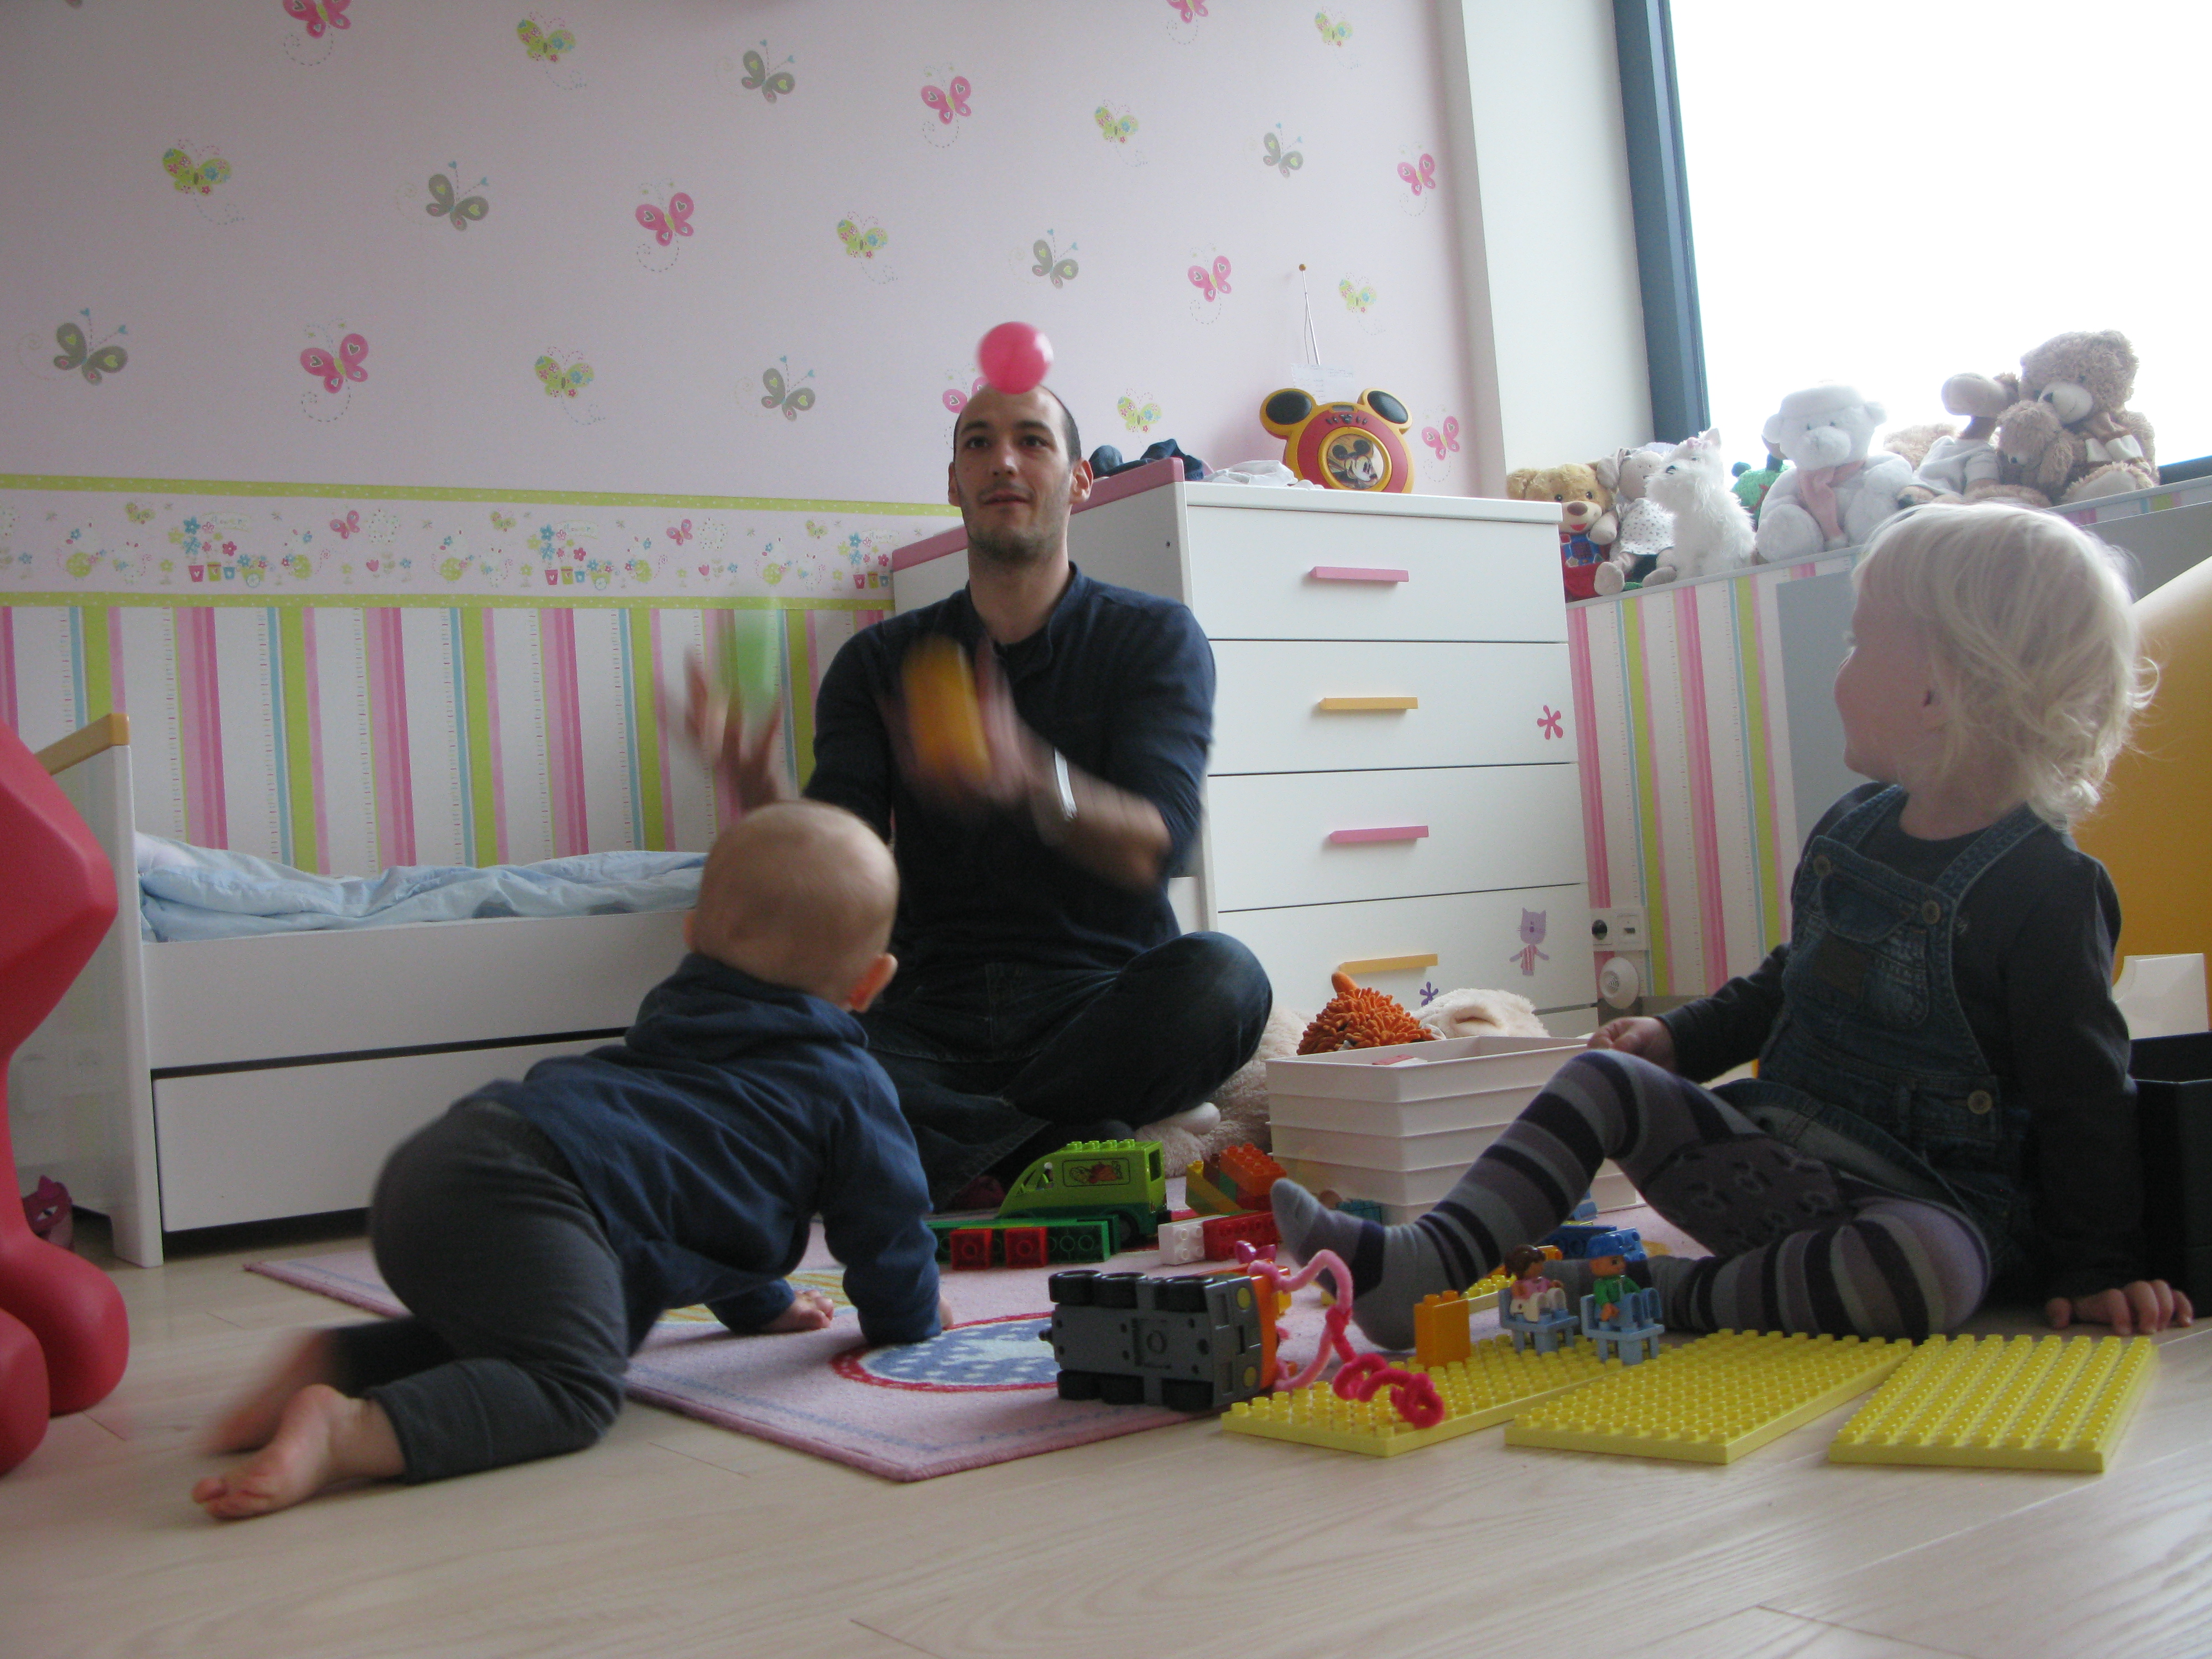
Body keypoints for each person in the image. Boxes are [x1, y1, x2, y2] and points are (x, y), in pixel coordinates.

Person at [1272, 502, 2195, 1350]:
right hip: (1780, 1166)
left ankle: (1661, 1294)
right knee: (1601, 1079)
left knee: (1928, 1272)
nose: (1839, 670)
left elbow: (2086, 1098)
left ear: (1936, 695)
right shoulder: (1854, 829)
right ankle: (1422, 1263)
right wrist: (1678, 1039)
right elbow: (1790, 980)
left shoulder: (2047, 888)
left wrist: (2100, 1270)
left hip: (1936, 1216)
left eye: (1857, 643)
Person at [192, 801, 945, 1520]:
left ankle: (340, 1362)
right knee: (572, 1384)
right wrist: (909, 1316)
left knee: (522, 1332)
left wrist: (764, 1306)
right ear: (871, 981)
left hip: (441, 1164)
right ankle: (348, 1430)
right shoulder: (847, 1086)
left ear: (690, 934)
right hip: (538, 1198)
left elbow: (702, 1193)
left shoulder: (674, 1023)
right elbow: (886, 1225)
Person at [691, 383, 1271, 1206]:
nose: (1003, 460)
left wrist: (1031, 776)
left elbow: (1161, 845)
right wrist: (766, 802)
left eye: (1033, 440)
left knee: (1227, 980)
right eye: (978, 443)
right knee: (750, 1031)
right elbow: (837, 868)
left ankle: (945, 1145)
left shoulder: (1152, 638)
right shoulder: (877, 662)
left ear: (1079, 480)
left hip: (1097, 1003)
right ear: (954, 483)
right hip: (925, 1010)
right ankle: (1051, 1143)